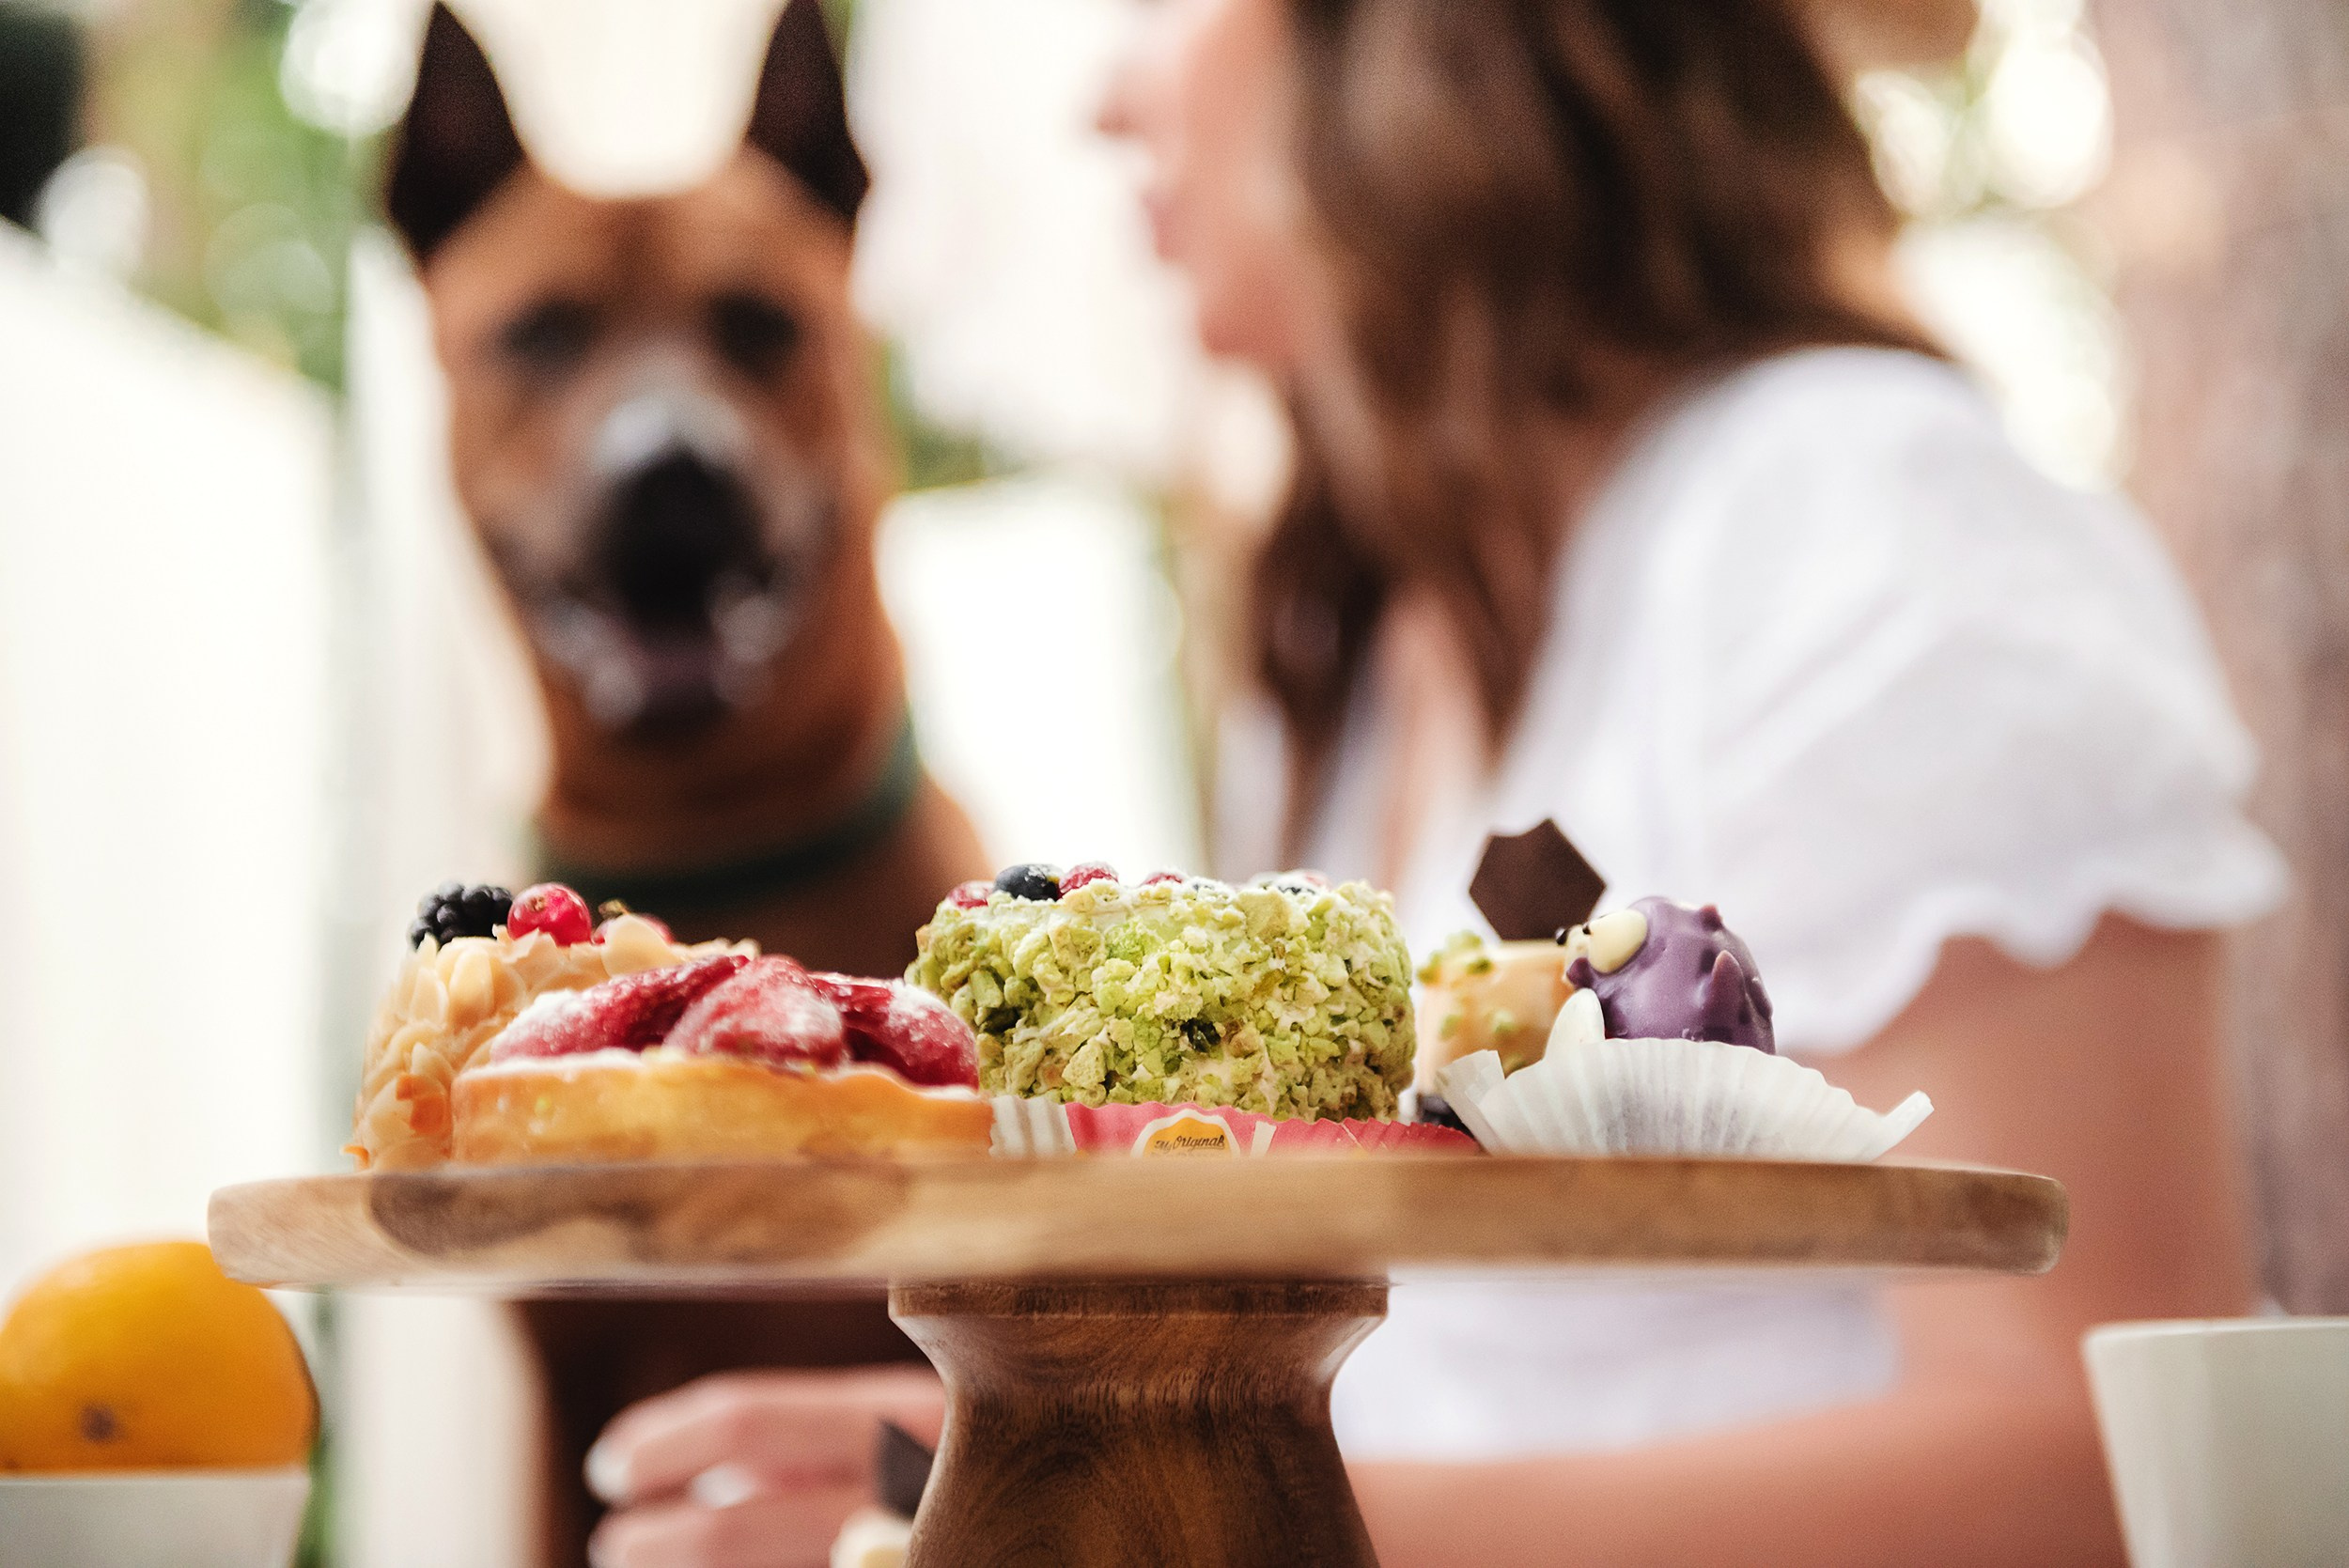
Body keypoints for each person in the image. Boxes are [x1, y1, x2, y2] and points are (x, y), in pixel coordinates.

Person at [581, 0, 2285, 1562]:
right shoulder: (1358, 641)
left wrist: (1173, 1532)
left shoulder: (1867, 524)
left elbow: (2106, 1461)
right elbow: (1442, 1394)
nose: (1108, 98)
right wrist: (995, 1460)